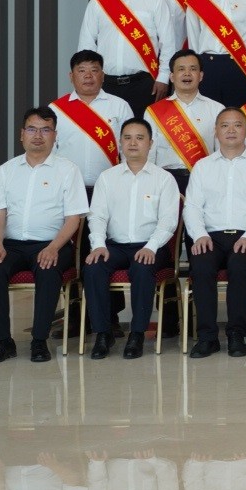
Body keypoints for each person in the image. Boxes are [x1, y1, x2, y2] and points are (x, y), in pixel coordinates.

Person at [0, 107, 90, 364]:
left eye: (45, 129)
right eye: (32, 129)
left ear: (55, 135)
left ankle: (39, 340)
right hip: (11, 246)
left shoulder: (68, 170)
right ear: (22, 134)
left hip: (53, 243)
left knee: (48, 269)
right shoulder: (6, 171)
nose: (38, 135)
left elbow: (73, 219)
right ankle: (2, 341)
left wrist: (53, 247)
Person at [82, 117, 181, 360]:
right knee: (93, 267)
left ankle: (137, 334)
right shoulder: (107, 178)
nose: (133, 143)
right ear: (120, 142)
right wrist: (98, 245)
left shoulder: (164, 179)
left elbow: (168, 221)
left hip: (152, 246)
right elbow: (97, 216)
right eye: (127, 138)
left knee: (142, 267)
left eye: (139, 138)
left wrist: (151, 247)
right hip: (115, 246)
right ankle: (103, 333)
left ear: (150, 143)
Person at [184, 109, 246, 358]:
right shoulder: (202, 166)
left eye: (237, 125)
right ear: (216, 131)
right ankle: (207, 337)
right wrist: (199, 235)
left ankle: (237, 334)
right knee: (201, 265)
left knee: (239, 266)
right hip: (210, 236)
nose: (231, 130)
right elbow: (192, 207)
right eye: (225, 125)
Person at [78, 0, 175, 117]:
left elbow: (168, 43)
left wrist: (163, 77)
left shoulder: (155, 0)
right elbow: (86, 44)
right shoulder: (99, 2)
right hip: (106, 83)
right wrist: (89, 77)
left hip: (144, 83)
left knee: (142, 131)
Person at [51, 49, 136, 192]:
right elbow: (50, 149)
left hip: (110, 188)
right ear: (71, 76)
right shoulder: (56, 109)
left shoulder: (120, 106)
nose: (88, 76)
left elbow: (128, 147)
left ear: (102, 76)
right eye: (82, 70)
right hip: (66, 188)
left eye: (94, 70)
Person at [143, 49, 223, 191]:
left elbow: (221, 153)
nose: (187, 73)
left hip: (204, 179)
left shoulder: (217, 109)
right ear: (172, 76)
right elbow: (149, 154)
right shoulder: (154, 112)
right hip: (166, 181)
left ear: (201, 76)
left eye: (193, 69)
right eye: (181, 69)